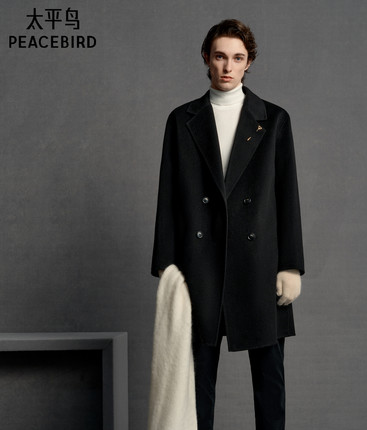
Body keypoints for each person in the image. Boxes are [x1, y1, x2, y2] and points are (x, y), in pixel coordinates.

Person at [151, 18, 305, 430]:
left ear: (249, 63)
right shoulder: (181, 119)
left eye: (238, 58)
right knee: (195, 383)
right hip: (198, 264)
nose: (228, 66)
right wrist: (167, 265)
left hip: (259, 262)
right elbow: (168, 195)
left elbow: (287, 196)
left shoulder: (273, 120)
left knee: (270, 381)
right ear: (206, 57)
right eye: (220, 56)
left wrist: (291, 266)